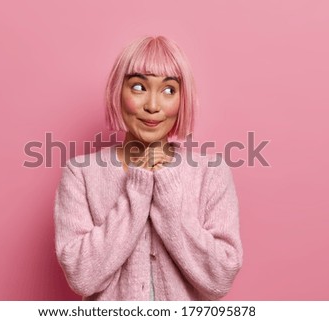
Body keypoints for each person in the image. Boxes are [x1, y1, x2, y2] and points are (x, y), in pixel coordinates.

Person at [54, 35, 243, 300]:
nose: (153, 106)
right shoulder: (81, 173)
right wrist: (138, 190)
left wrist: (166, 194)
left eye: (168, 91)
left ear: (182, 100)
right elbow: (82, 277)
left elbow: (220, 278)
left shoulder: (211, 171)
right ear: (118, 91)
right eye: (139, 87)